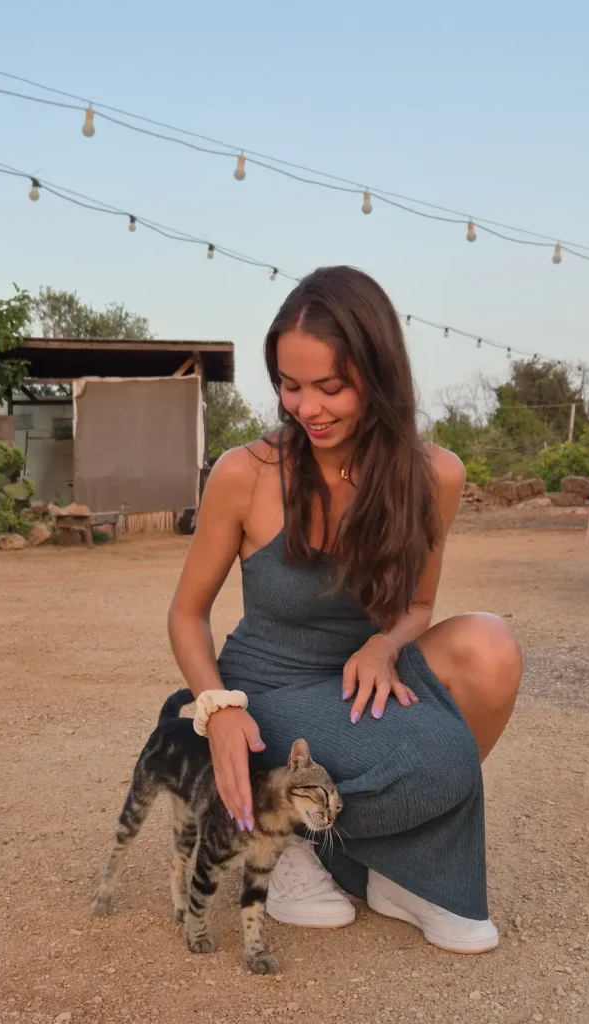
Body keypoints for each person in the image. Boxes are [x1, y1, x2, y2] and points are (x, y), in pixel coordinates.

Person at [168, 266, 522, 953]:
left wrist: (385, 644)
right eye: (289, 386)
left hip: (364, 681)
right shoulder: (246, 473)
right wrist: (217, 708)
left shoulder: (433, 475)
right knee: (443, 760)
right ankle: (285, 834)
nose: (308, 408)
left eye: (331, 387)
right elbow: (187, 614)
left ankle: (382, 856)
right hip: (272, 687)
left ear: (379, 374)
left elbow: (418, 605)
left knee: (491, 647)